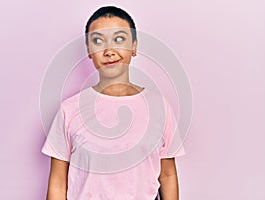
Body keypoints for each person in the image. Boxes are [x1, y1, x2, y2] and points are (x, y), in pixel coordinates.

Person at [42, 5, 186, 200]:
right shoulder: (69, 109)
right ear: (89, 51)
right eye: (98, 41)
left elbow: (167, 174)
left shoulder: (160, 107)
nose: (109, 51)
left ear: (134, 46)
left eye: (119, 39)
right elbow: (58, 184)